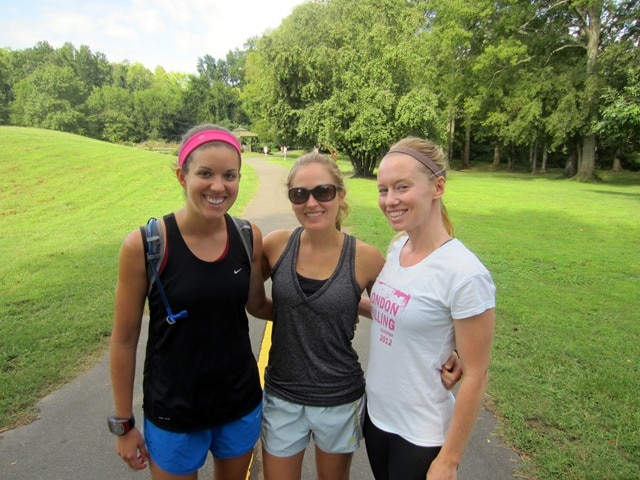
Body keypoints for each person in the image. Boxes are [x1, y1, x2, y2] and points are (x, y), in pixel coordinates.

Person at [259, 152, 462, 480]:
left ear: (340, 195)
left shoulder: (366, 258)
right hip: (282, 395)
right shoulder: (276, 245)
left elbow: (402, 309)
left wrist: (453, 349)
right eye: (299, 194)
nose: (311, 202)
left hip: (339, 399)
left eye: (323, 191)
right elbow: (249, 299)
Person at [109, 124, 272, 480]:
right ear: (182, 176)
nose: (219, 186)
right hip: (174, 412)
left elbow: (258, 304)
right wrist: (123, 424)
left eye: (229, 175)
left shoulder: (247, 236)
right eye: (205, 173)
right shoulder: (146, 245)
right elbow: (123, 340)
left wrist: (324, 308)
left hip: (239, 404)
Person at [362, 136, 496, 480]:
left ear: (437, 187)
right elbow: (395, 313)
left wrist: (448, 460)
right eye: (383, 190)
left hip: (420, 435)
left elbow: (476, 374)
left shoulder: (465, 274)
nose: (389, 200)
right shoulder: (398, 247)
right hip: (377, 419)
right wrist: (335, 300)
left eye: (402, 187)